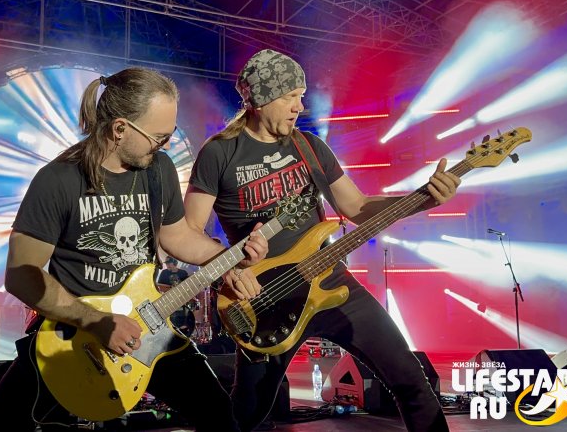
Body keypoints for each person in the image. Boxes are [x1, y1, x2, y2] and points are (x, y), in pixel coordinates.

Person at [0, 67, 268, 432]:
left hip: (148, 325)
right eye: (158, 137)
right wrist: (96, 322)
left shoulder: (158, 169)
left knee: (220, 419)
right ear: (120, 128)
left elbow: (177, 236)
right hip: (73, 336)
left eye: (170, 134)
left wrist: (230, 259)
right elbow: (21, 275)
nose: (165, 145)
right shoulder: (59, 179)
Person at [185, 49, 461, 432]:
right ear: (261, 99)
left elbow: (357, 206)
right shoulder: (219, 153)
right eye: (290, 96)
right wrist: (226, 272)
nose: (299, 106)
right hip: (264, 301)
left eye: (301, 95)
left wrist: (422, 199)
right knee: (246, 414)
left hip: (330, 283)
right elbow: (189, 231)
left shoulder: (309, 147)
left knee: (410, 378)